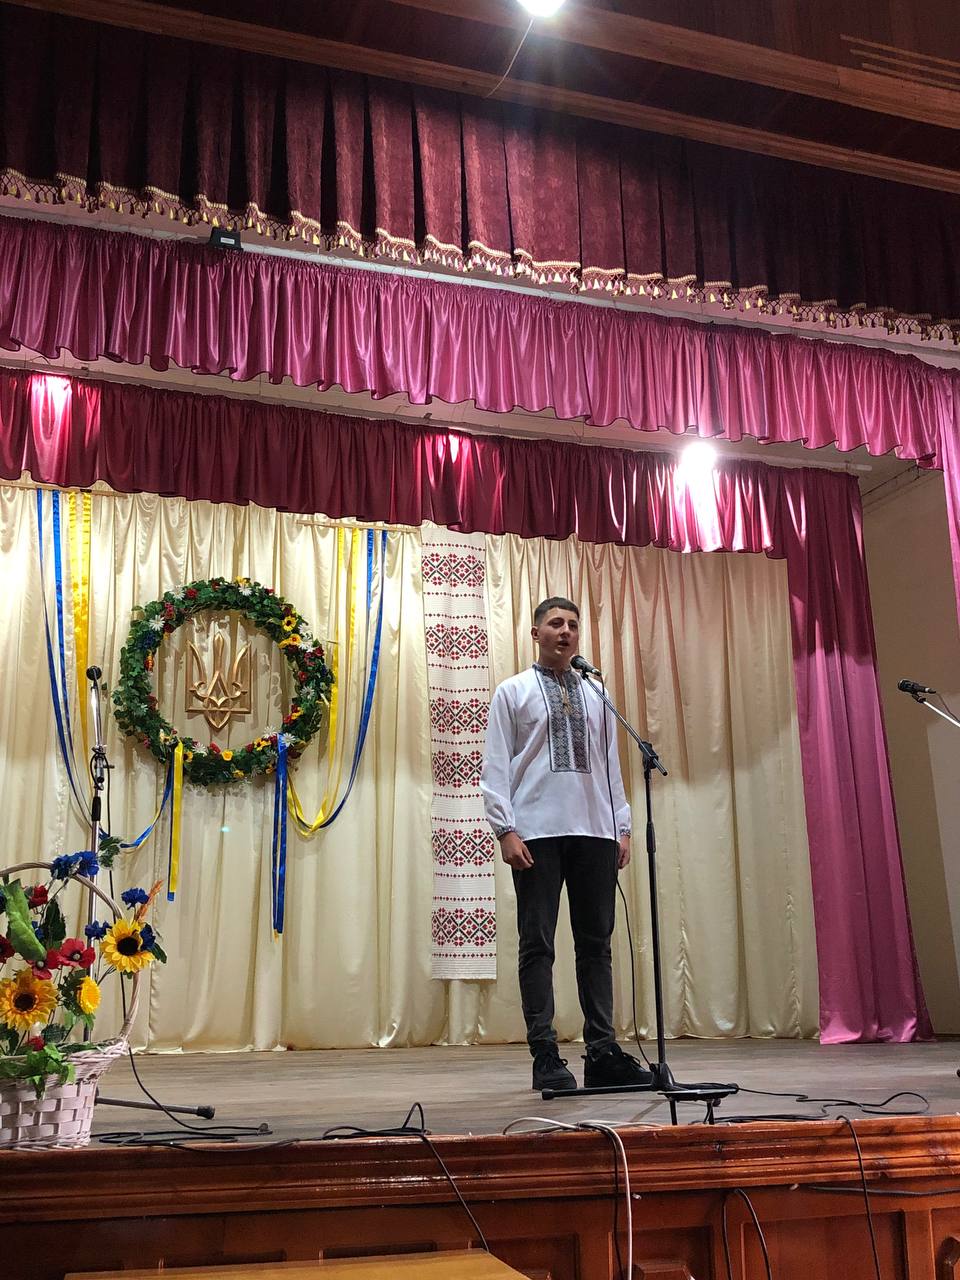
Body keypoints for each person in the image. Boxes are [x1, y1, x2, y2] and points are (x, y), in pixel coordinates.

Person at [480, 596, 654, 1092]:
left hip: (594, 830)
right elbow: (495, 764)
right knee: (537, 944)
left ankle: (602, 1053)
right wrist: (504, 828)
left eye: (573, 625)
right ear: (536, 633)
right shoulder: (513, 691)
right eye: (555, 623)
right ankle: (545, 1055)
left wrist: (621, 825)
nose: (566, 632)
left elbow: (610, 766)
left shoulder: (597, 694)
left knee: (596, 945)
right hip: (536, 831)